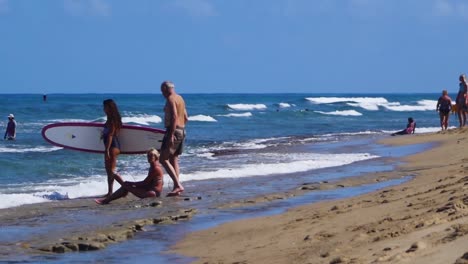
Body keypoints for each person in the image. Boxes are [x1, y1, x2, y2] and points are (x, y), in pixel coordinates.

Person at [95, 148, 164, 205]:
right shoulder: (155, 166)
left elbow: (145, 183)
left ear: (156, 156)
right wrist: (132, 184)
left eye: (151, 156)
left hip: (151, 194)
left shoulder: (155, 168)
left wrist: (131, 183)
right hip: (151, 191)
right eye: (148, 156)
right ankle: (122, 193)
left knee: (126, 185)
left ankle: (106, 201)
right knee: (126, 185)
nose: (149, 158)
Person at [160, 81, 188, 196]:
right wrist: (180, 128)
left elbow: (174, 116)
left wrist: (171, 134)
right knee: (173, 159)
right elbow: (186, 117)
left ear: (166, 89)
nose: (162, 94)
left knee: (163, 159)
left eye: (162, 91)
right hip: (181, 130)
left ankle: (177, 185)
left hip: (174, 131)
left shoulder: (171, 99)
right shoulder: (180, 98)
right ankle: (177, 187)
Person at [102, 99, 124, 197]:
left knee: (111, 171)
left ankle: (126, 187)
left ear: (109, 108)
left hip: (113, 147)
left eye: (105, 107)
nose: (103, 109)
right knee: (108, 171)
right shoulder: (110, 119)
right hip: (110, 147)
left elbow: (111, 135)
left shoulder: (112, 120)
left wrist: (107, 150)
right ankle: (110, 192)